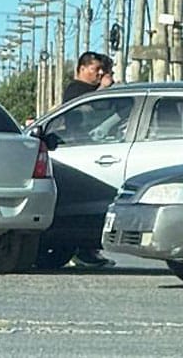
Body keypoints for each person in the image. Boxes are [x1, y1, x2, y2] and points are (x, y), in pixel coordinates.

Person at [61, 51, 116, 269]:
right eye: (95, 70)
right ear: (82, 69)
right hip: (79, 148)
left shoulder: (94, 91)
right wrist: (104, 89)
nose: (100, 74)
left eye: (102, 70)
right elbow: (92, 107)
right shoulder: (76, 90)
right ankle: (83, 250)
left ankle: (90, 249)